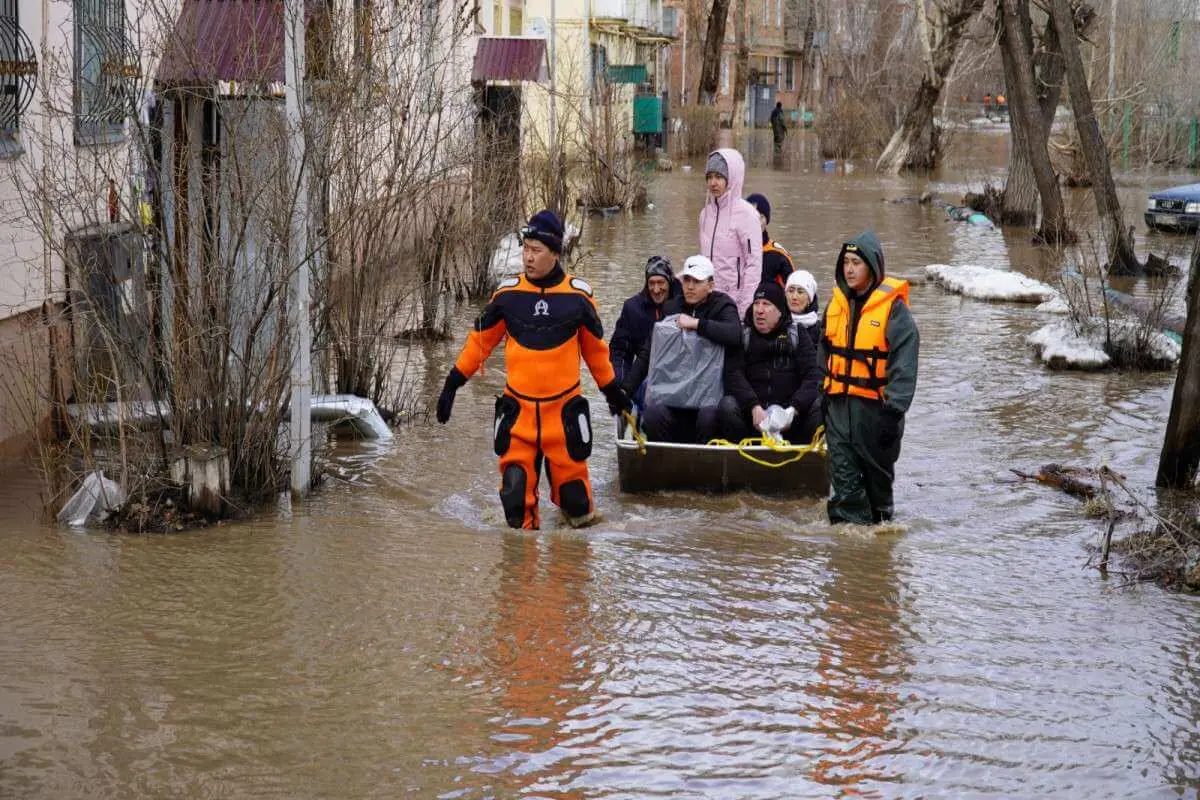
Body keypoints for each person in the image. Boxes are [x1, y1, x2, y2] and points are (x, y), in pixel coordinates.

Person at [435, 209, 632, 530]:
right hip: (519, 415)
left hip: (563, 413)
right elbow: (479, 344)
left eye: (536, 250)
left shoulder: (579, 297)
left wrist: (614, 393)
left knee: (578, 508)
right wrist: (452, 382)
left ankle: (567, 572)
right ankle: (519, 576)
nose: (528, 257)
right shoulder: (508, 295)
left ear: (555, 253)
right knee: (514, 499)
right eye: (525, 249)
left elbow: (596, 353)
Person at [820, 230, 919, 525]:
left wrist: (894, 411)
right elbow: (822, 356)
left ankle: (876, 549)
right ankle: (848, 554)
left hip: (877, 414)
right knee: (843, 482)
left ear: (873, 267)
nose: (849, 269)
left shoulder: (895, 312)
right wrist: (820, 399)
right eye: (846, 262)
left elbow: (904, 364)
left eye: (856, 263)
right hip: (838, 410)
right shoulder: (834, 307)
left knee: (878, 495)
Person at [622, 255, 742, 444]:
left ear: (711, 285)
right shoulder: (672, 307)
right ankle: (667, 461)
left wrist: (697, 324)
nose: (690, 287)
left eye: (697, 281)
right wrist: (625, 390)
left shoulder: (723, 305)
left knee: (708, 417)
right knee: (653, 414)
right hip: (676, 393)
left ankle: (707, 462)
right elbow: (649, 353)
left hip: (709, 396)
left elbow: (735, 334)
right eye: (687, 280)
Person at [715, 282, 821, 445]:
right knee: (727, 406)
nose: (759, 310)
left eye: (766, 304)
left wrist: (793, 410)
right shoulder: (744, 335)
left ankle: (808, 455)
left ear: (779, 311)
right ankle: (738, 457)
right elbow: (733, 375)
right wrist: (753, 406)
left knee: (820, 404)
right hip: (753, 418)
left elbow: (813, 377)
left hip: (790, 418)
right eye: (756, 304)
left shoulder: (797, 334)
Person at [609, 256, 681, 404]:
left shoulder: (684, 304)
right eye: (651, 283)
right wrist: (621, 382)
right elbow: (619, 351)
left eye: (661, 283)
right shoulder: (632, 308)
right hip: (642, 378)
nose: (656, 289)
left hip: (678, 377)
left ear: (670, 282)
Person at [699, 148, 763, 317]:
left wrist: (744, 309)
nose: (713, 183)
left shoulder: (747, 215)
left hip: (733, 305)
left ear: (731, 179)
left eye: (719, 177)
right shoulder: (705, 215)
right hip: (707, 302)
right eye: (709, 177)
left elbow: (754, 265)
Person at [745, 193, 794, 288]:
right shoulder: (733, 250)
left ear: (766, 220)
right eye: (750, 217)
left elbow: (793, 292)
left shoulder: (778, 255)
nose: (755, 222)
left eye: (760, 217)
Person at [785, 269, 821, 348]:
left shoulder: (820, 331)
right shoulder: (776, 324)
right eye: (791, 291)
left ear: (809, 299)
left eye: (800, 292)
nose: (794, 297)